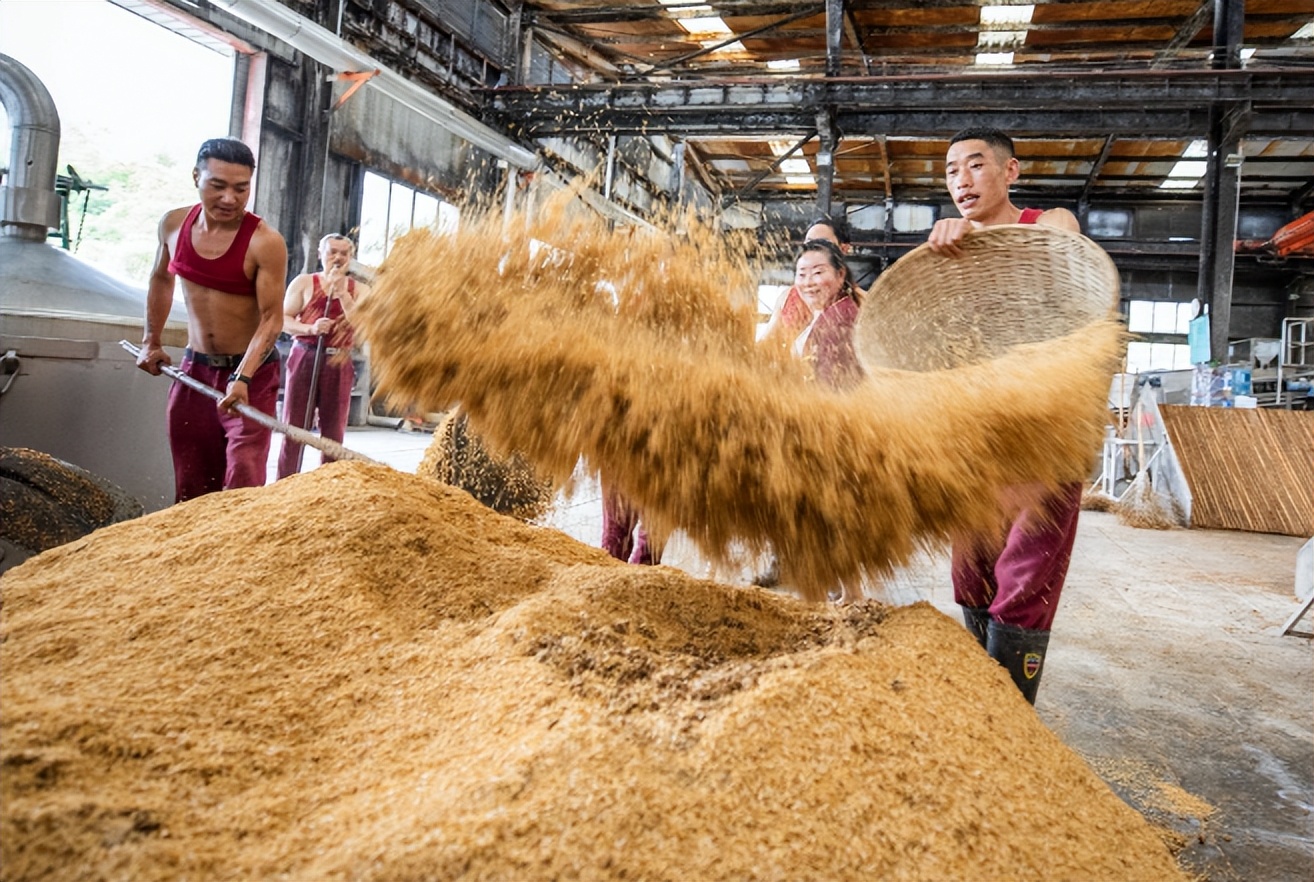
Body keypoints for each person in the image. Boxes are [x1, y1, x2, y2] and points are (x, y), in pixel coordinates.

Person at [927, 126, 1084, 704]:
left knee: (1025, 574)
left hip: (1045, 429)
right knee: (971, 571)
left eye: (975, 166)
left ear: (1010, 170)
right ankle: (981, 712)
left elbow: (1064, 241)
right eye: (950, 172)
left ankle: (1011, 717)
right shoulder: (947, 250)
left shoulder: (1045, 224)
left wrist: (977, 239)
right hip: (976, 434)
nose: (961, 181)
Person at [135, 137, 288, 503]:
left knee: (243, 477)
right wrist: (150, 341)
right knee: (192, 478)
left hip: (252, 375)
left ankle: (239, 555)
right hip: (194, 371)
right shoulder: (173, 225)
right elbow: (160, 279)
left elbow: (271, 319)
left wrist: (242, 377)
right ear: (196, 177)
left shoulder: (265, 242)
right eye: (217, 185)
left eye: (241, 188)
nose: (230, 198)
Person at [276, 234, 370, 478]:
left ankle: (328, 485)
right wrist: (310, 328)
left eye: (344, 254)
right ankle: (285, 483)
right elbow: (282, 320)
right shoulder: (304, 283)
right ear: (321, 254)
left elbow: (364, 327)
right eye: (332, 252)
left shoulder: (360, 290)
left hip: (339, 359)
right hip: (305, 356)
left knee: (334, 430)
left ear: (351, 258)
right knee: (294, 427)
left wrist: (343, 295)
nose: (337, 258)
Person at [759, 215, 864, 351]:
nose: (814, 250)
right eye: (809, 243)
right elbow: (766, 344)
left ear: (843, 249)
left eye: (824, 243)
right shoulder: (788, 297)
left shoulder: (860, 304)